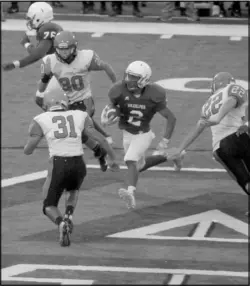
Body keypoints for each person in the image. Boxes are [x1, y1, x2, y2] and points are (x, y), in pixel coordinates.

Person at [24, 89, 119, 247]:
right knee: (73, 190)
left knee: (49, 205)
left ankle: (61, 223)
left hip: (59, 164)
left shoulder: (40, 119)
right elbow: (100, 139)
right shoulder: (79, 115)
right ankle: (69, 215)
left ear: (47, 104)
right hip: (78, 164)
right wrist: (113, 159)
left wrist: (38, 136)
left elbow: (28, 150)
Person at [167, 72, 250, 215]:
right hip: (238, 138)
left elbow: (198, 127)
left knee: (245, 181)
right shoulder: (233, 89)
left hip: (220, 148)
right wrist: (219, 117)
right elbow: (231, 100)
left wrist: (180, 149)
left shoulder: (206, 105)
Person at [101, 61, 178, 209]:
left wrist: (165, 140)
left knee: (130, 160)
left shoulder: (154, 94)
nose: (129, 79)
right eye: (128, 75)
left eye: (134, 77)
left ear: (144, 79)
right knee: (139, 166)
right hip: (127, 133)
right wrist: (109, 116)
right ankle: (173, 155)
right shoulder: (118, 90)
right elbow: (112, 107)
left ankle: (130, 193)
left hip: (143, 134)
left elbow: (171, 118)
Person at [36, 31, 117, 169]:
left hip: (84, 101)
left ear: (74, 47)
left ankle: (108, 154)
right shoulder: (50, 61)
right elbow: (43, 85)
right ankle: (99, 150)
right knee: (75, 133)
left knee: (79, 131)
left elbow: (105, 66)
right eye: (61, 49)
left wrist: (116, 86)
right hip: (65, 101)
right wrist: (42, 85)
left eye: (67, 48)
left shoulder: (85, 57)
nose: (64, 52)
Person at [2, 2, 63, 71]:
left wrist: (15, 64)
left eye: (31, 18)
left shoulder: (48, 29)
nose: (29, 21)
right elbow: (37, 53)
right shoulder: (48, 28)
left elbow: (38, 54)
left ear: (39, 17)